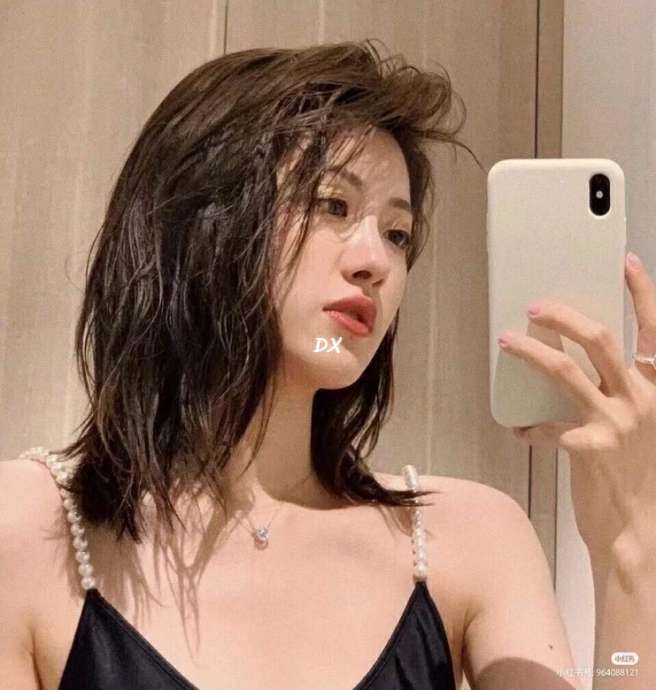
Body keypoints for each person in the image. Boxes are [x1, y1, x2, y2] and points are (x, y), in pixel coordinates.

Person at [1, 39, 653, 690]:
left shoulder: (472, 540)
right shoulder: (30, 527)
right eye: (332, 205)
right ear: (201, 219)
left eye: (397, 234)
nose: (376, 262)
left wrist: (630, 543)